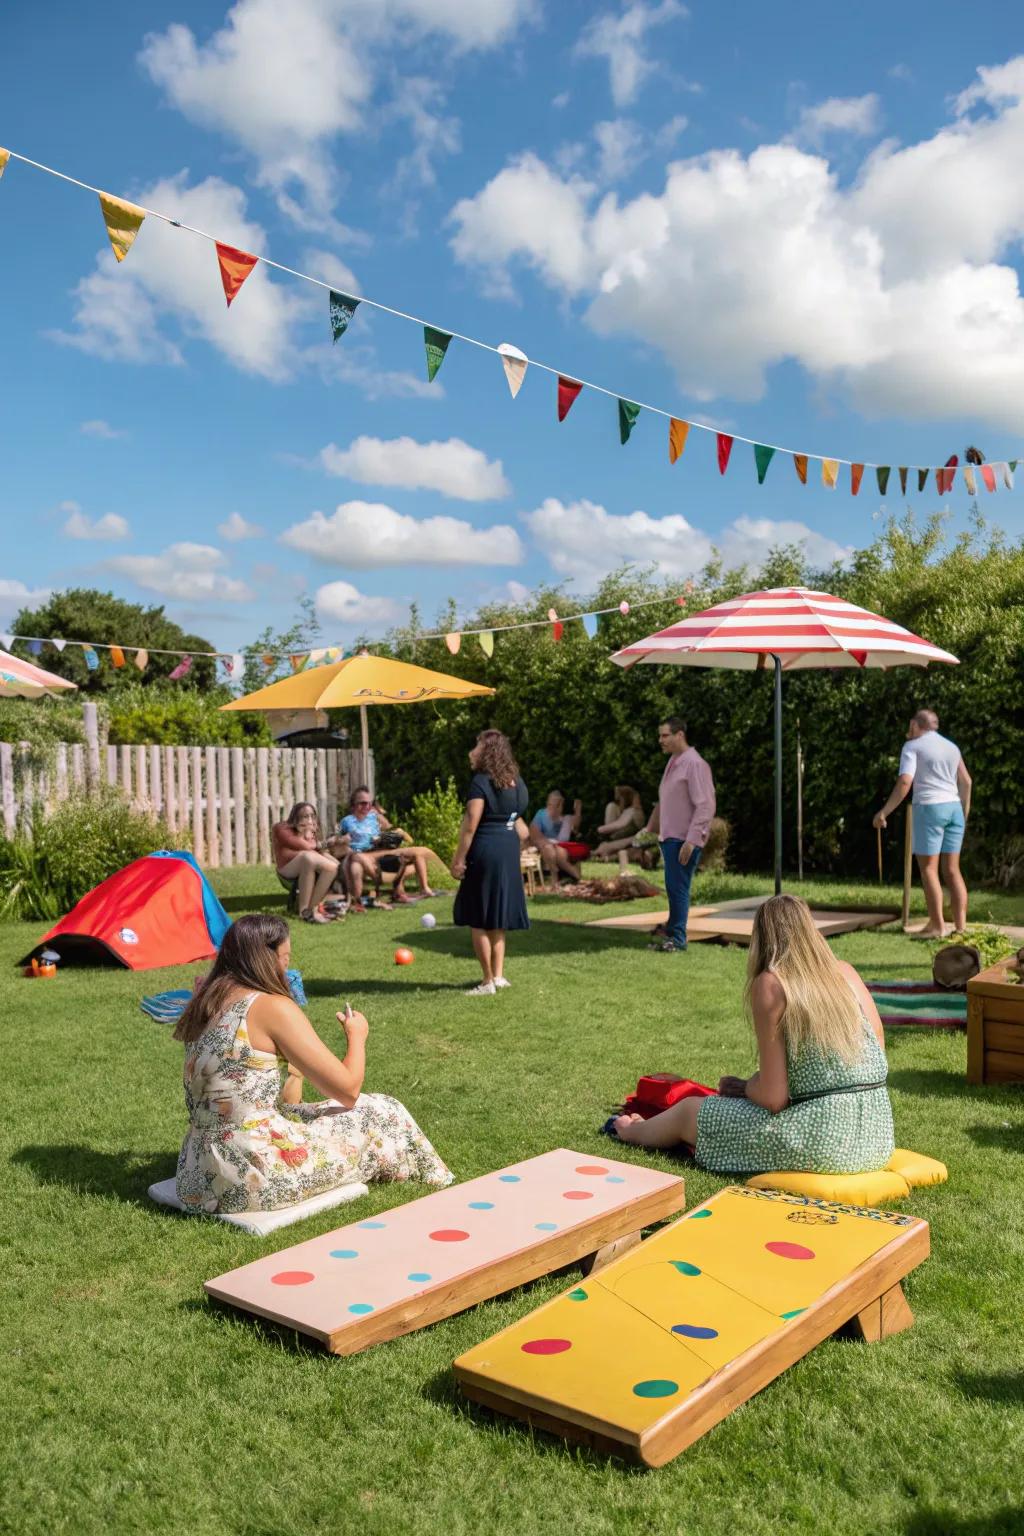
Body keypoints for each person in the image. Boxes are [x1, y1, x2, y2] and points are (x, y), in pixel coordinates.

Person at [173, 913, 452, 1214]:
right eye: (285, 958)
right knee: (381, 1110)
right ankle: (437, 1185)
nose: (286, 967)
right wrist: (356, 1036)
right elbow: (348, 1089)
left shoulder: (205, 1001)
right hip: (251, 1177)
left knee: (307, 1112)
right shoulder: (271, 1007)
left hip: (196, 1175)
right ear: (267, 960)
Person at [613, 894, 895, 1175]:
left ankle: (633, 1131)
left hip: (826, 1142)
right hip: (876, 1134)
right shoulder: (845, 972)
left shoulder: (772, 984)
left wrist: (746, 1087)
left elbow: (774, 1098)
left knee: (691, 1113)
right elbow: (878, 1050)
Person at [873, 708, 972, 938]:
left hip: (930, 809)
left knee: (928, 869)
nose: (908, 731)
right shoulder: (951, 747)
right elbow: (966, 782)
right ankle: (960, 927)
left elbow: (905, 782)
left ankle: (937, 926)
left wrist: (884, 812)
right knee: (952, 870)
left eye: (910, 726)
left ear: (917, 725)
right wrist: (963, 815)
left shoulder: (912, 747)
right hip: (954, 809)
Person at [452, 729, 530, 995]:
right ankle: (498, 976)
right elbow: (521, 823)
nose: (471, 752)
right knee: (497, 914)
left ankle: (486, 981)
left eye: (476, 746)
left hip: (485, 848)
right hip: (508, 848)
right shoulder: (515, 781)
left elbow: (470, 825)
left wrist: (459, 859)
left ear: (486, 752)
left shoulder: (481, 782)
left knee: (479, 915)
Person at [643, 717, 716, 952]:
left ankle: (678, 939)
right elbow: (667, 801)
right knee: (673, 887)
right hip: (670, 838)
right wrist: (650, 829)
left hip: (683, 839)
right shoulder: (675, 762)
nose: (660, 741)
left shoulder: (694, 764)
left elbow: (705, 805)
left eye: (665, 736)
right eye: (660, 736)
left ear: (680, 735)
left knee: (678, 888)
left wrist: (693, 840)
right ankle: (671, 929)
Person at [339, 787, 437, 908]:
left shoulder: (373, 817)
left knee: (417, 854)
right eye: (362, 803)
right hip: (364, 854)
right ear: (353, 805)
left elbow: (390, 828)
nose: (367, 806)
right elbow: (340, 840)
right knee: (355, 865)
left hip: (381, 851)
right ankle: (359, 901)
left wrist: (381, 820)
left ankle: (423, 889)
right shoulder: (347, 821)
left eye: (369, 803)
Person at [272, 802, 341, 924]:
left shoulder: (313, 829)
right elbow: (305, 847)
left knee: (333, 867)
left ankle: (310, 910)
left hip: (307, 863)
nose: (310, 819)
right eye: (305, 816)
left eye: (312, 816)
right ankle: (303, 910)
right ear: (295, 816)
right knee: (307, 857)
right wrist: (317, 839)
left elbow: (320, 851)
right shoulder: (281, 828)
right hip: (286, 870)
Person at [530, 790, 585, 888]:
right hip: (545, 844)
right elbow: (534, 834)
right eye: (550, 803)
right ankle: (558, 877)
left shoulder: (567, 819)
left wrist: (578, 810)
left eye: (556, 803)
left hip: (561, 847)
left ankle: (576, 878)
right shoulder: (541, 814)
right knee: (550, 848)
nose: (551, 806)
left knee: (560, 852)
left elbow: (576, 827)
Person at [593, 785, 646, 861]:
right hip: (626, 841)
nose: (618, 801)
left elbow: (618, 825)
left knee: (605, 847)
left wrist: (600, 829)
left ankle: (605, 856)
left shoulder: (632, 811)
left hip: (629, 842)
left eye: (619, 798)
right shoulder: (630, 810)